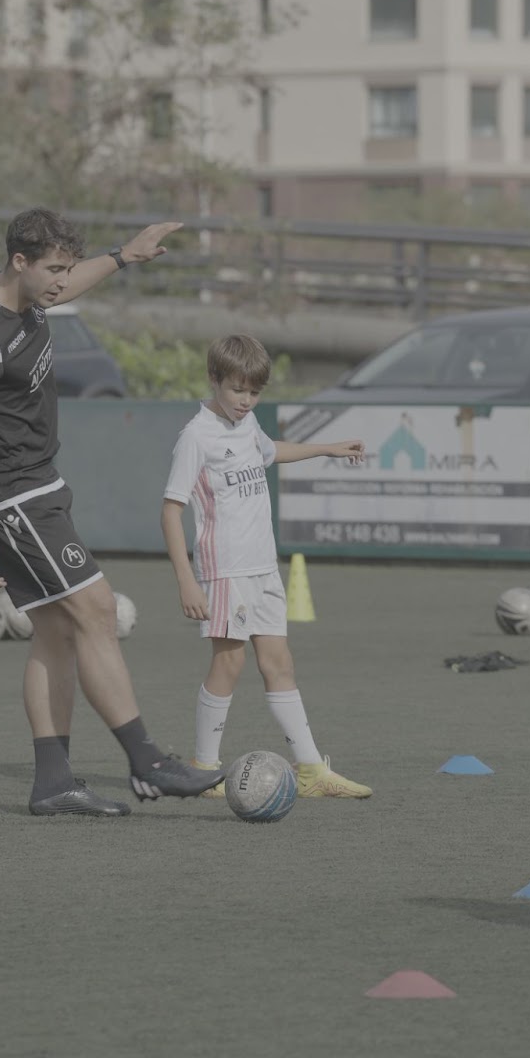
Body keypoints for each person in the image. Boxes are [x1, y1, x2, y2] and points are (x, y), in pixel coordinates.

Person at [0, 207, 224, 816]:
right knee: (96, 609)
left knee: (55, 631)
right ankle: (148, 760)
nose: (63, 283)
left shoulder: (27, 291)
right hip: (11, 498)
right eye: (54, 271)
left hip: (36, 483)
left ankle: (53, 782)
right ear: (20, 261)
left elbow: (73, 280)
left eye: (67, 269)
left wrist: (126, 255)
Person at [160, 333, 373, 799]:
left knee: (279, 663)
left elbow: (270, 451)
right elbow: (170, 510)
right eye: (238, 390)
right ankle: (203, 768)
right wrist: (186, 582)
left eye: (254, 392)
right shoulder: (197, 436)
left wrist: (327, 449)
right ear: (214, 379)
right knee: (229, 664)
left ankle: (313, 771)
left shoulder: (247, 423)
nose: (246, 400)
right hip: (225, 572)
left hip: (263, 567)